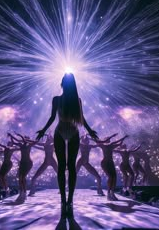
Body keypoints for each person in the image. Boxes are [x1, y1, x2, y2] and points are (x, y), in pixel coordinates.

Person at [36, 73, 98, 219]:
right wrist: (43, 130)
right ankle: (64, 199)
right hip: (61, 132)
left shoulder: (77, 100)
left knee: (69, 166)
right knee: (64, 166)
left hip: (72, 132)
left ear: (63, 83)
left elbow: (82, 118)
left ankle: (69, 199)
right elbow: (52, 117)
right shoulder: (57, 100)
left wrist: (90, 131)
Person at [8, 132, 40, 203]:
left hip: (28, 163)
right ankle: (21, 192)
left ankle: (24, 193)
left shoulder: (29, 145)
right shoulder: (20, 145)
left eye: (26, 138)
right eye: (24, 138)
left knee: (23, 177)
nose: (24, 139)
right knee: (20, 178)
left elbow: (36, 141)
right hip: (22, 163)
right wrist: (11, 136)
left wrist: (20, 135)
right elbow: (14, 142)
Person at [97, 135, 128, 200]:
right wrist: (120, 137)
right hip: (105, 163)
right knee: (110, 177)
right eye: (108, 139)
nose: (109, 140)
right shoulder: (103, 146)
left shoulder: (111, 146)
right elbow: (98, 142)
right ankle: (108, 194)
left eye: (109, 139)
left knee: (114, 178)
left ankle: (112, 193)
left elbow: (119, 143)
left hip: (111, 163)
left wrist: (122, 139)